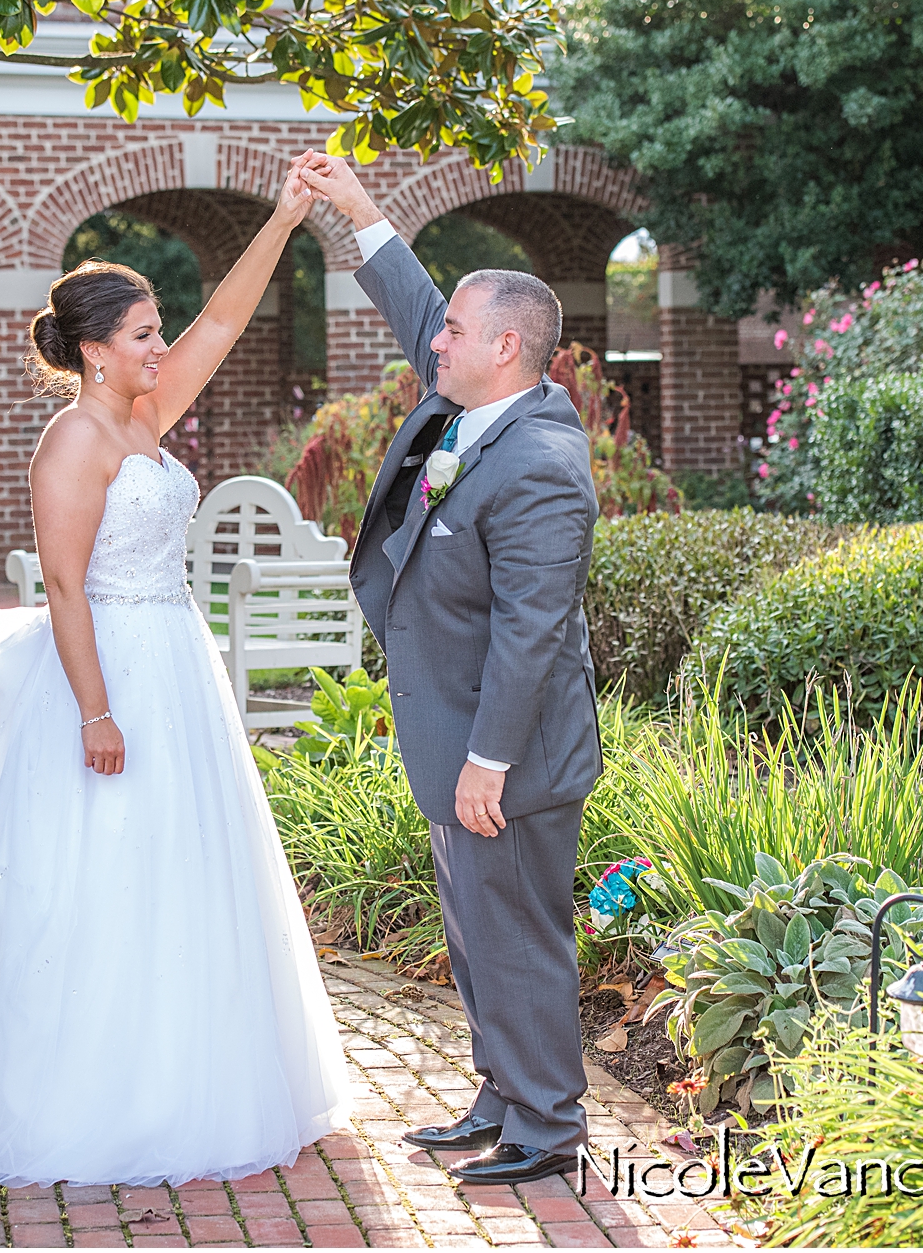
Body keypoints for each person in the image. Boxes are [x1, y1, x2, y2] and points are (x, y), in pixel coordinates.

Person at [0, 166, 350, 1189]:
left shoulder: (145, 415)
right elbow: (66, 588)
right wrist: (96, 709)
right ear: (94, 348)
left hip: (177, 664)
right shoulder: (74, 438)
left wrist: (283, 220)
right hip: (108, 672)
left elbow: (222, 322)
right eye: (142, 334)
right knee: (93, 873)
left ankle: (184, 1073)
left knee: (181, 870)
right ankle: (78, 1090)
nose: (160, 345)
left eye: (156, 331)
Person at [295, 151, 602, 1186]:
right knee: (474, 935)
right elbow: (420, 301)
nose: (434, 339)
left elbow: (531, 630)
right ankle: (500, 1092)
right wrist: (356, 208)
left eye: (456, 332)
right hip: (456, 737)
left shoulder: (541, 467)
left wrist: (486, 760)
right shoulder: (476, 407)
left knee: (515, 935)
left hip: (502, 755)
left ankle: (548, 1123)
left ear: (506, 348)